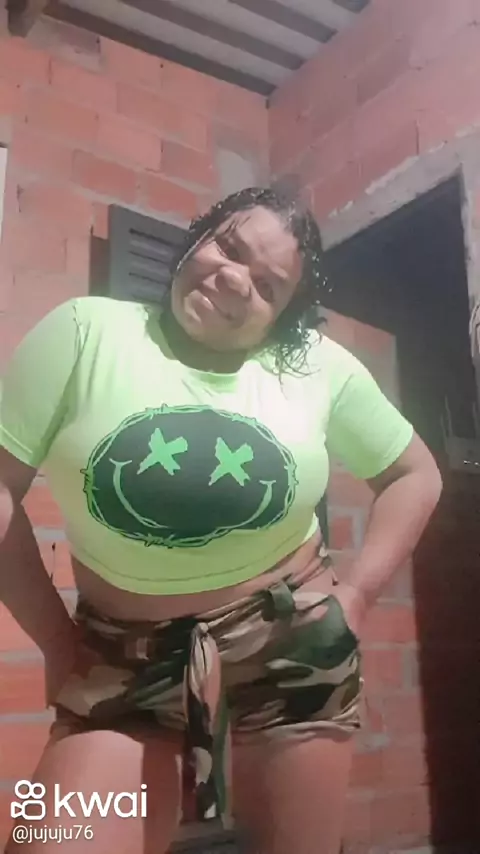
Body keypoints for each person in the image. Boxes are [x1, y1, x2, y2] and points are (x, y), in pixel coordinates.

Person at [0, 187, 442, 854]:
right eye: (230, 248)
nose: (235, 280)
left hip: (287, 638)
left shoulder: (315, 365)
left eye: (267, 287)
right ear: (199, 236)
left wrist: (356, 596)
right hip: (124, 655)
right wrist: (57, 642)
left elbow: (416, 475)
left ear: (281, 318)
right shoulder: (84, 332)